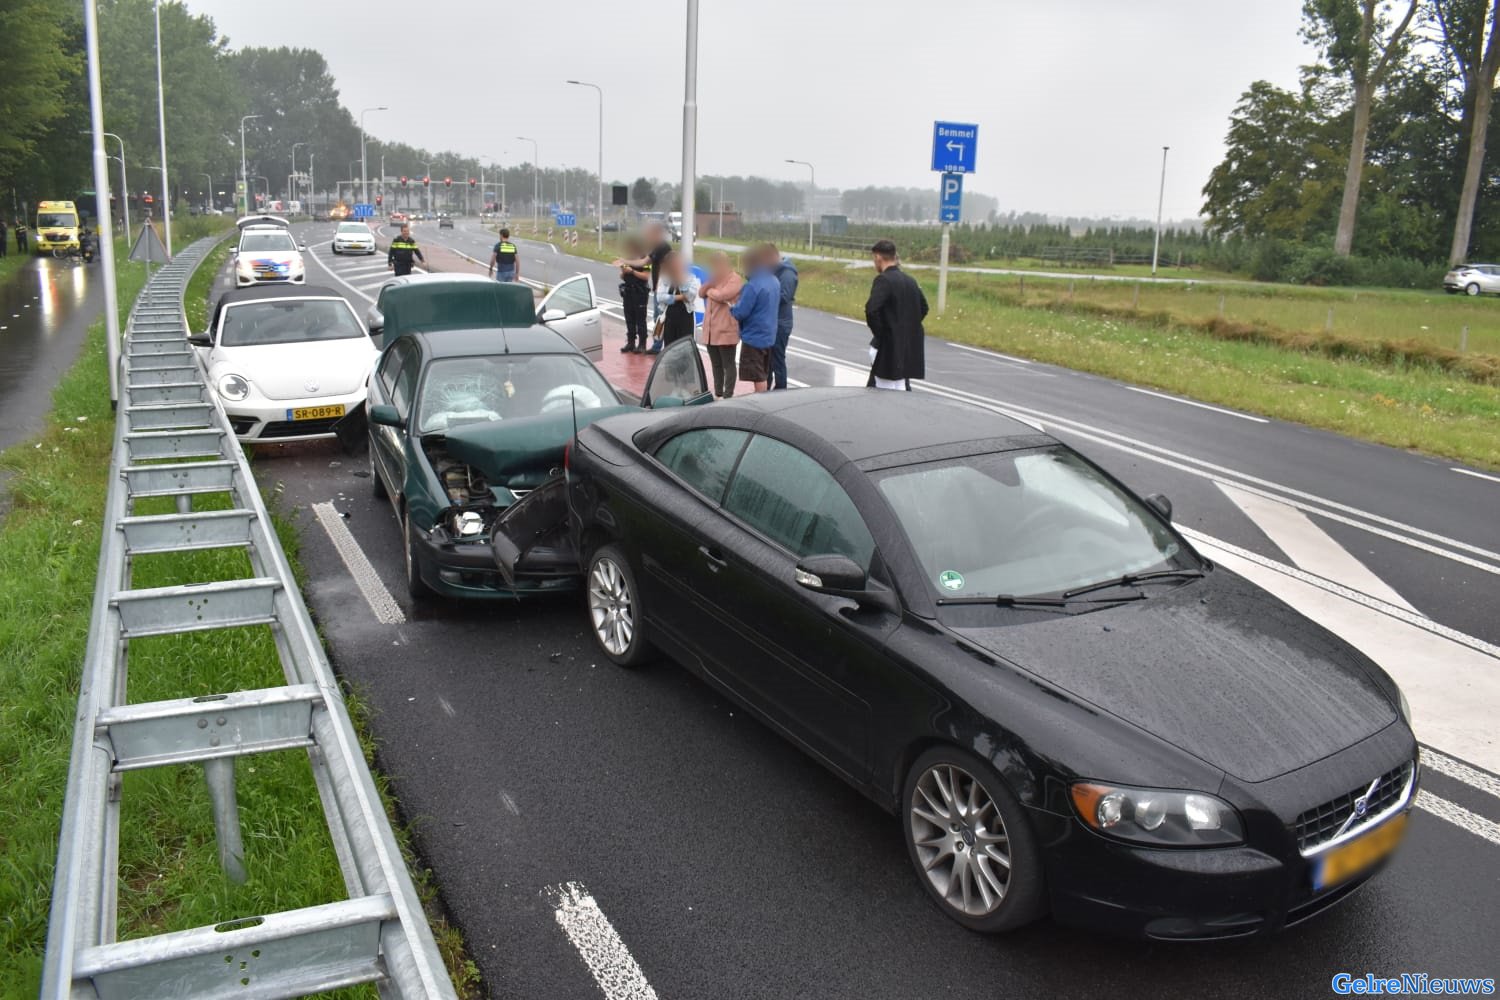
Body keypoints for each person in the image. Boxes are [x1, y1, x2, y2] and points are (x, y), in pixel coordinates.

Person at [864, 239, 928, 390]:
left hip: (888, 349)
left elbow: (872, 310)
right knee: (901, 392)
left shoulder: (884, 280)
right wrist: (906, 328)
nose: (875, 264)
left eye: (874, 259)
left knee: (881, 395)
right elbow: (924, 307)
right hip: (907, 350)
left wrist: (884, 334)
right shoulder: (911, 281)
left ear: (878, 257)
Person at [612, 221, 673, 353]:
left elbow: (645, 268)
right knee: (657, 318)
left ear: (657, 233)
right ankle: (654, 345)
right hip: (657, 289)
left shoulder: (663, 248)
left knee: (661, 318)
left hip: (661, 289)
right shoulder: (656, 249)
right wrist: (624, 262)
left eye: (649, 234)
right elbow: (645, 261)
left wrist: (631, 269)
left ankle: (657, 346)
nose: (648, 237)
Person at [730, 246, 780, 393]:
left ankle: (760, 401)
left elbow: (741, 312)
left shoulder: (752, 286)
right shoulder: (774, 281)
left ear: (749, 264)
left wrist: (732, 307)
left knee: (758, 376)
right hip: (769, 335)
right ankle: (762, 397)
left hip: (754, 337)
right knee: (764, 372)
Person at [701, 250, 744, 397]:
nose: (715, 267)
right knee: (716, 364)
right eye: (714, 264)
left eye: (718, 264)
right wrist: (710, 285)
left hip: (726, 330)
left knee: (728, 364)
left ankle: (728, 394)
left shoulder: (735, 279)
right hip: (711, 331)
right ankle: (718, 393)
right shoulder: (713, 278)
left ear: (725, 263)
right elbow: (701, 293)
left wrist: (710, 291)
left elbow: (722, 296)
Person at [653, 250, 700, 347]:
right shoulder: (665, 278)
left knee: (685, 346)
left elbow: (690, 297)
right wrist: (679, 297)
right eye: (673, 263)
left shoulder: (691, 278)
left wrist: (680, 280)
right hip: (670, 317)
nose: (676, 266)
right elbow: (660, 297)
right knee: (669, 347)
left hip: (686, 317)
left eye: (678, 263)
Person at [769, 246, 798, 389]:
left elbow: (785, 296)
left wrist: (765, 294)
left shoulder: (787, 273)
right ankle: (766, 389)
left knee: (777, 359)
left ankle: (781, 389)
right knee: (768, 360)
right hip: (772, 321)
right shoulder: (773, 270)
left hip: (781, 322)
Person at [617, 236, 651, 353]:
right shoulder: (628, 259)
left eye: (630, 248)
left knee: (640, 319)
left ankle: (642, 344)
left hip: (640, 292)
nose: (629, 250)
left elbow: (646, 276)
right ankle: (631, 342)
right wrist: (623, 271)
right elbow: (622, 276)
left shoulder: (644, 259)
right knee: (629, 317)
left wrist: (632, 271)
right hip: (628, 291)